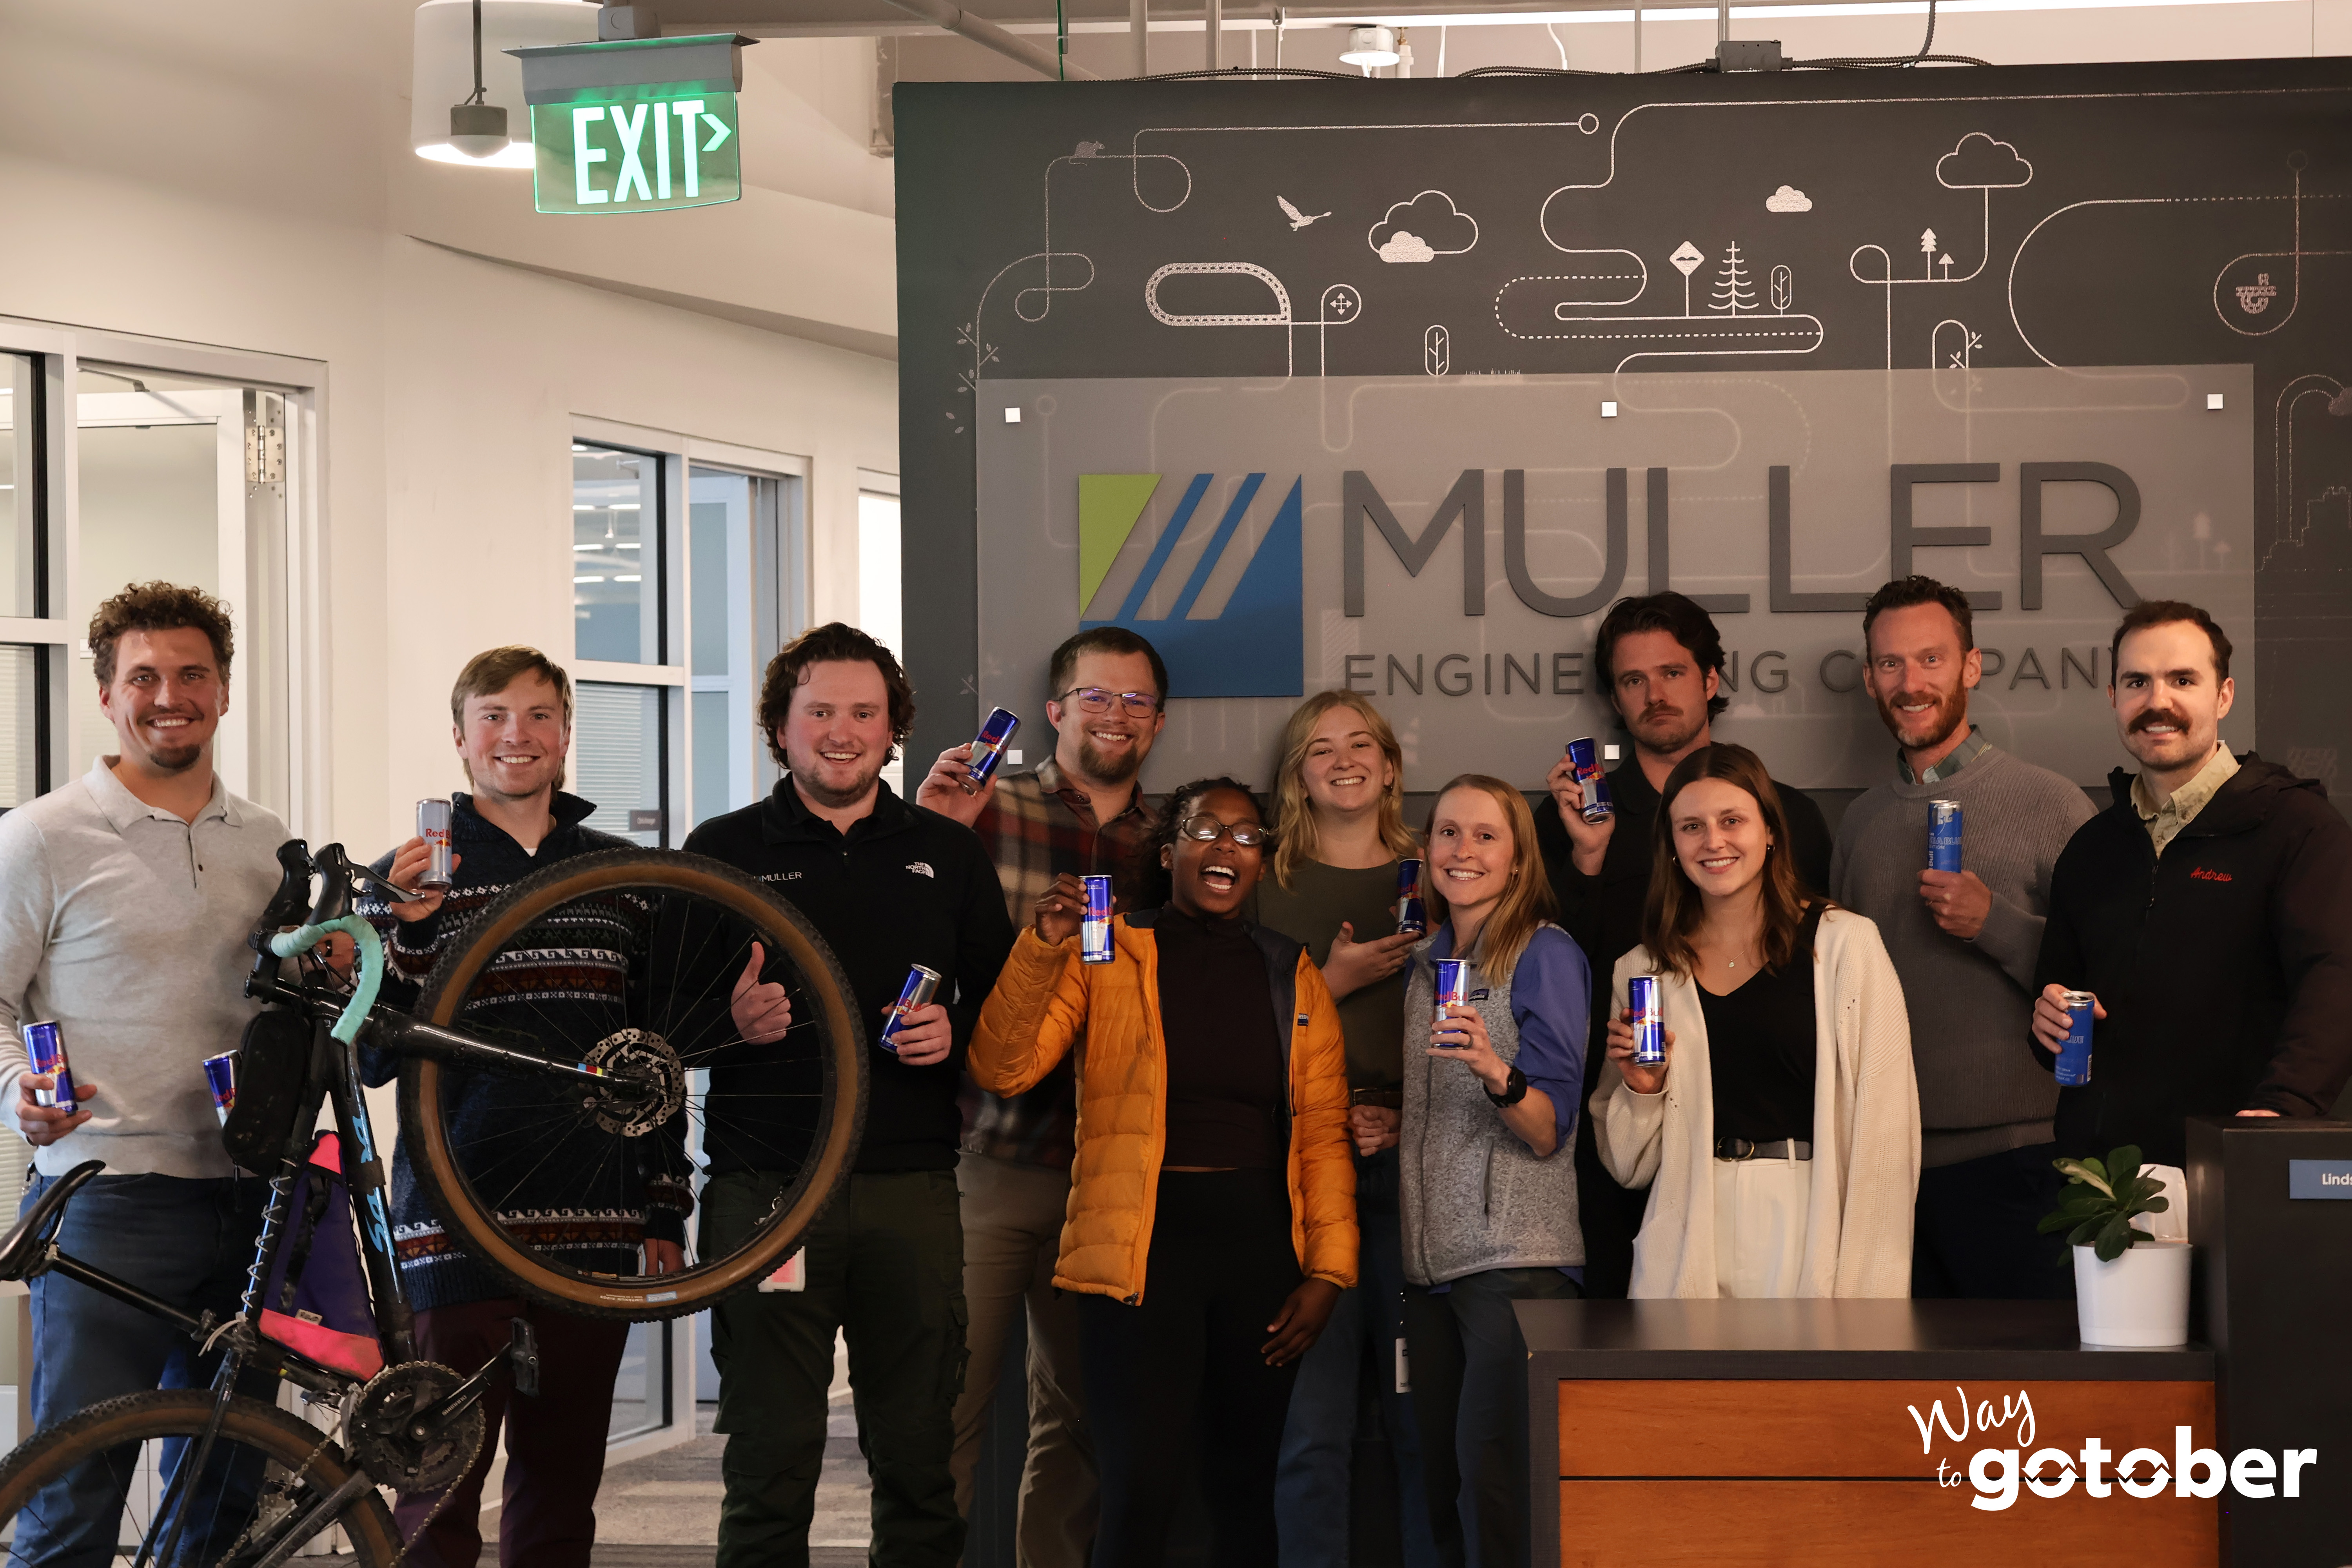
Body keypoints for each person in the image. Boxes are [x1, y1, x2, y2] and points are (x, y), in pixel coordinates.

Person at [682, 622, 1015, 1568]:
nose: (842, 730)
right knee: (769, 1463)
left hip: (911, 1187)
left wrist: (955, 1036)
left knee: (918, 1462)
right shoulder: (722, 847)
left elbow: (1004, 1016)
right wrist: (727, 1024)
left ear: (892, 727)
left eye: (863, 712)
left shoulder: (948, 853)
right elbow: (660, 1026)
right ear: (780, 728)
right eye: (819, 710)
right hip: (768, 1192)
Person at [354, 645, 690, 1567]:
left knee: (563, 1481)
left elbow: (651, 1052)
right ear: (459, 738)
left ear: (567, 735)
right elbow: (377, 1056)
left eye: (540, 715)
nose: (518, 734)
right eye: (495, 715)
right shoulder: (401, 875)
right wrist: (411, 935)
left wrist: (665, 1201)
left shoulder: (625, 873)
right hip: (451, 1222)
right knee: (436, 1485)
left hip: (596, 1220)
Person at [969, 779, 1356, 1568]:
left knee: (1246, 1488)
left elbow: (1321, 1131)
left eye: (1247, 836)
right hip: (1140, 1257)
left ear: (1261, 863)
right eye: (1207, 829)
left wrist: (1330, 1272)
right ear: (1170, 850)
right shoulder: (1111, 950)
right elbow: (1003, 1066)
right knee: (1139, 1489)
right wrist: (1045, 943)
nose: (1227, 847)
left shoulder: (1292, 971)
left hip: (1260, 1259)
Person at [0, 582, 287, 1561]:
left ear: (224, 688)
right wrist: (16, 1093)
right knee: (74, 1495)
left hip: (252, 1197)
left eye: (192, 673)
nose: (171, 695)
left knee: (221, 1493)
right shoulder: (42, 835)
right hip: (108, 1202)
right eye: (145, 676)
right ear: (107, 692)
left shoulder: (271, 843)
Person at [916, 626, 1169, 1567]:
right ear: (1057, 709)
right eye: (1098, 696)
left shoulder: (1176, 838)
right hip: (987, 1155)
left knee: (1082, 1424)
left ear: (1159, 721)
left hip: (1107, 1173)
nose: (1117, 715)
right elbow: (909, 929)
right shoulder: (986, 807)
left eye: (1136, 700)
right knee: (943, 1410)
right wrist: (933, 825)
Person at [1535, 592, 1833, 1299]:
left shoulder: (1790, 814)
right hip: (1623, 1120)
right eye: (1633, 680)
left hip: (1770, 1137)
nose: (1653, 694)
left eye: (1672, 673)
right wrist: (1588, 859)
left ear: (1711, 680)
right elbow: (1551, 971)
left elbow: (1816, 971)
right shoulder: (1578, 813)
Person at [1831, 577, 2096, 1299]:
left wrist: (1998, 926)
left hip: (2020, 1160)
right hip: (1887, 1167)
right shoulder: (1859, 824)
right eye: (1890, 665)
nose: (1910, 683)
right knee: (1901, 1401)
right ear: (1869, 678)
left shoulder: (2050, 802)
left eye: (1931, 660)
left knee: (2030, 1397)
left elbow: (2109, 978)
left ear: (1972, 667)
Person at [2029, 601, 2352, 1171]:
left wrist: (2286, 1111)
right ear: (2113, 698)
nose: (2158, 702)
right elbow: (2058, 992)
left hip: (2237, 1165)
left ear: (2223, 695)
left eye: (2183, 680)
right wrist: (2047, 1022)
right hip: (2103, 1186)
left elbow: (2335, 980)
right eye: (2137, 682)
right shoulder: (2092, 848)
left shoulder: (2299, 828)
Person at [1591, 744, 1919, 1299]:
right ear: (1671, 846)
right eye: (1691, 826)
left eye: (1732, 821)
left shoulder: (1846, 947)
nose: (1713, 841)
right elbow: (1629, 1166)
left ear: (1770, 832)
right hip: (1690, 1227)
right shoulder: (1644, 971)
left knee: (1803, 1390)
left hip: (1811, 1216)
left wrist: (1872, 1292)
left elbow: (1889, 1135)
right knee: (1694, 1391)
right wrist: (1642, 1090)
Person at [1258, 692, 1439, 1568]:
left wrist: (1406, 1114)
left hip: (1416, 1163)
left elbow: (1482, 1026)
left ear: (1392, 764)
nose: (1343, 758)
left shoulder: (1440, 872)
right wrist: (1328, 979)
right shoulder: (1265, 881)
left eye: (1360, 742)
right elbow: (1228, 1038)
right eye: (1319, 747)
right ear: (1297, 774)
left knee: (1420, 1424)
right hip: (1302, 1175)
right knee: (1311, 1430)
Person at [1397, 775, 1588, 1568]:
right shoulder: (1425, 963)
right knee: (1437, 1478)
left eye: (1485, 835)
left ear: (1517, 859)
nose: (1463, 849)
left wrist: (1492, 1066)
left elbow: (1548, 1128)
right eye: (1448, 832)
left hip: (1517, 1261)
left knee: (1494, 1477)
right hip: (1431, 1263)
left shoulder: (1545, 951)